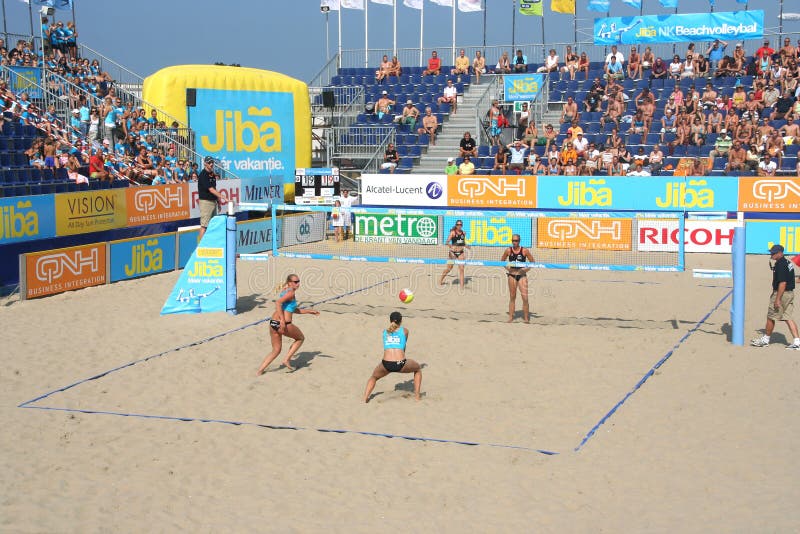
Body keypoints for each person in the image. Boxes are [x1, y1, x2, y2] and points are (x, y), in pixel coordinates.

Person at [257, 274, 320, 374]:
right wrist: (282, 320)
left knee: (276, 350)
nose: (298, 283)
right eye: (296, 282)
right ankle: (286, 359)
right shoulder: (290, 293)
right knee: (300, 338)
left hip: (273, 323)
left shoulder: (285, 290)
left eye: (299, 281)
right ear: (290, 283)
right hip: (284, 323)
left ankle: (260, 371)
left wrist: (309, 311)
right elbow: (278, 303)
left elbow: (291, 309)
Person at [363, 311, 423, 403]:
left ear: (390, 320)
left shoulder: (384, 332)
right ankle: (417, 397)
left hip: (386, 363)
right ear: (401, 321)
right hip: (400, 363)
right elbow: (403, 347)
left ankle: (364, 399)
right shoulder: (405, 331)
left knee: (374, 377)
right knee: (418, 369)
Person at [752, 245, 800, 349]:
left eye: (773, 253)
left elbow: (782, 283)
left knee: (770, 317)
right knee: (788, 317)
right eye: (771, 252)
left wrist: (777, 299)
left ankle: (765, 340)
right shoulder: (787, 262)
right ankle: (797, 342)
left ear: (780, 253)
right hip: (789, 293)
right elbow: (790, 279)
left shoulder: (781, 265)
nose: (771, 254)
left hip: (782, 294)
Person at [501, 234, 534, 323]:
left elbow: (532, 262)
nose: (514, 242)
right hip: (512, 275)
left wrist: (525, 270)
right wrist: (508, 269)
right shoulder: (508, 250)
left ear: (519, 241)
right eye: (513, 241)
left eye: (516, 241)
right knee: (512, 297)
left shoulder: (524, 251)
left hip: (522, 275)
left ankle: (526, 318)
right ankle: (511, 317)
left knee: (525, 298)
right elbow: (502, 261)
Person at [197, 156, 228, 240]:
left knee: (212, 225)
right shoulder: (203, 175)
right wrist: (223, 197)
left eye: (212, 162)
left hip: (213, 201)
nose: (211, 164)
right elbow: (211, 190)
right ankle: (201, 248)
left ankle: (210, 243)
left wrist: (219, 201)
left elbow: (214, 188)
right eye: (209, 162)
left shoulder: (212, 174)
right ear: (205, 163)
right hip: (206, 202)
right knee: (204, 226)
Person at [440, 219, 468, 288]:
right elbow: (447, 242)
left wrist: (465, 246)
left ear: (462, 225)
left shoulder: (463, 233)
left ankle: (462, 286)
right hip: (452, 253)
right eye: (458, 224)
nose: (459, 226)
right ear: (456, 225)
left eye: (460, 225)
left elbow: (462, 242)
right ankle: (441, 280)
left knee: (461, 269)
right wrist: (450, 246)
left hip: (461, 252)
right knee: (449, 269)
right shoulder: (453, 232)